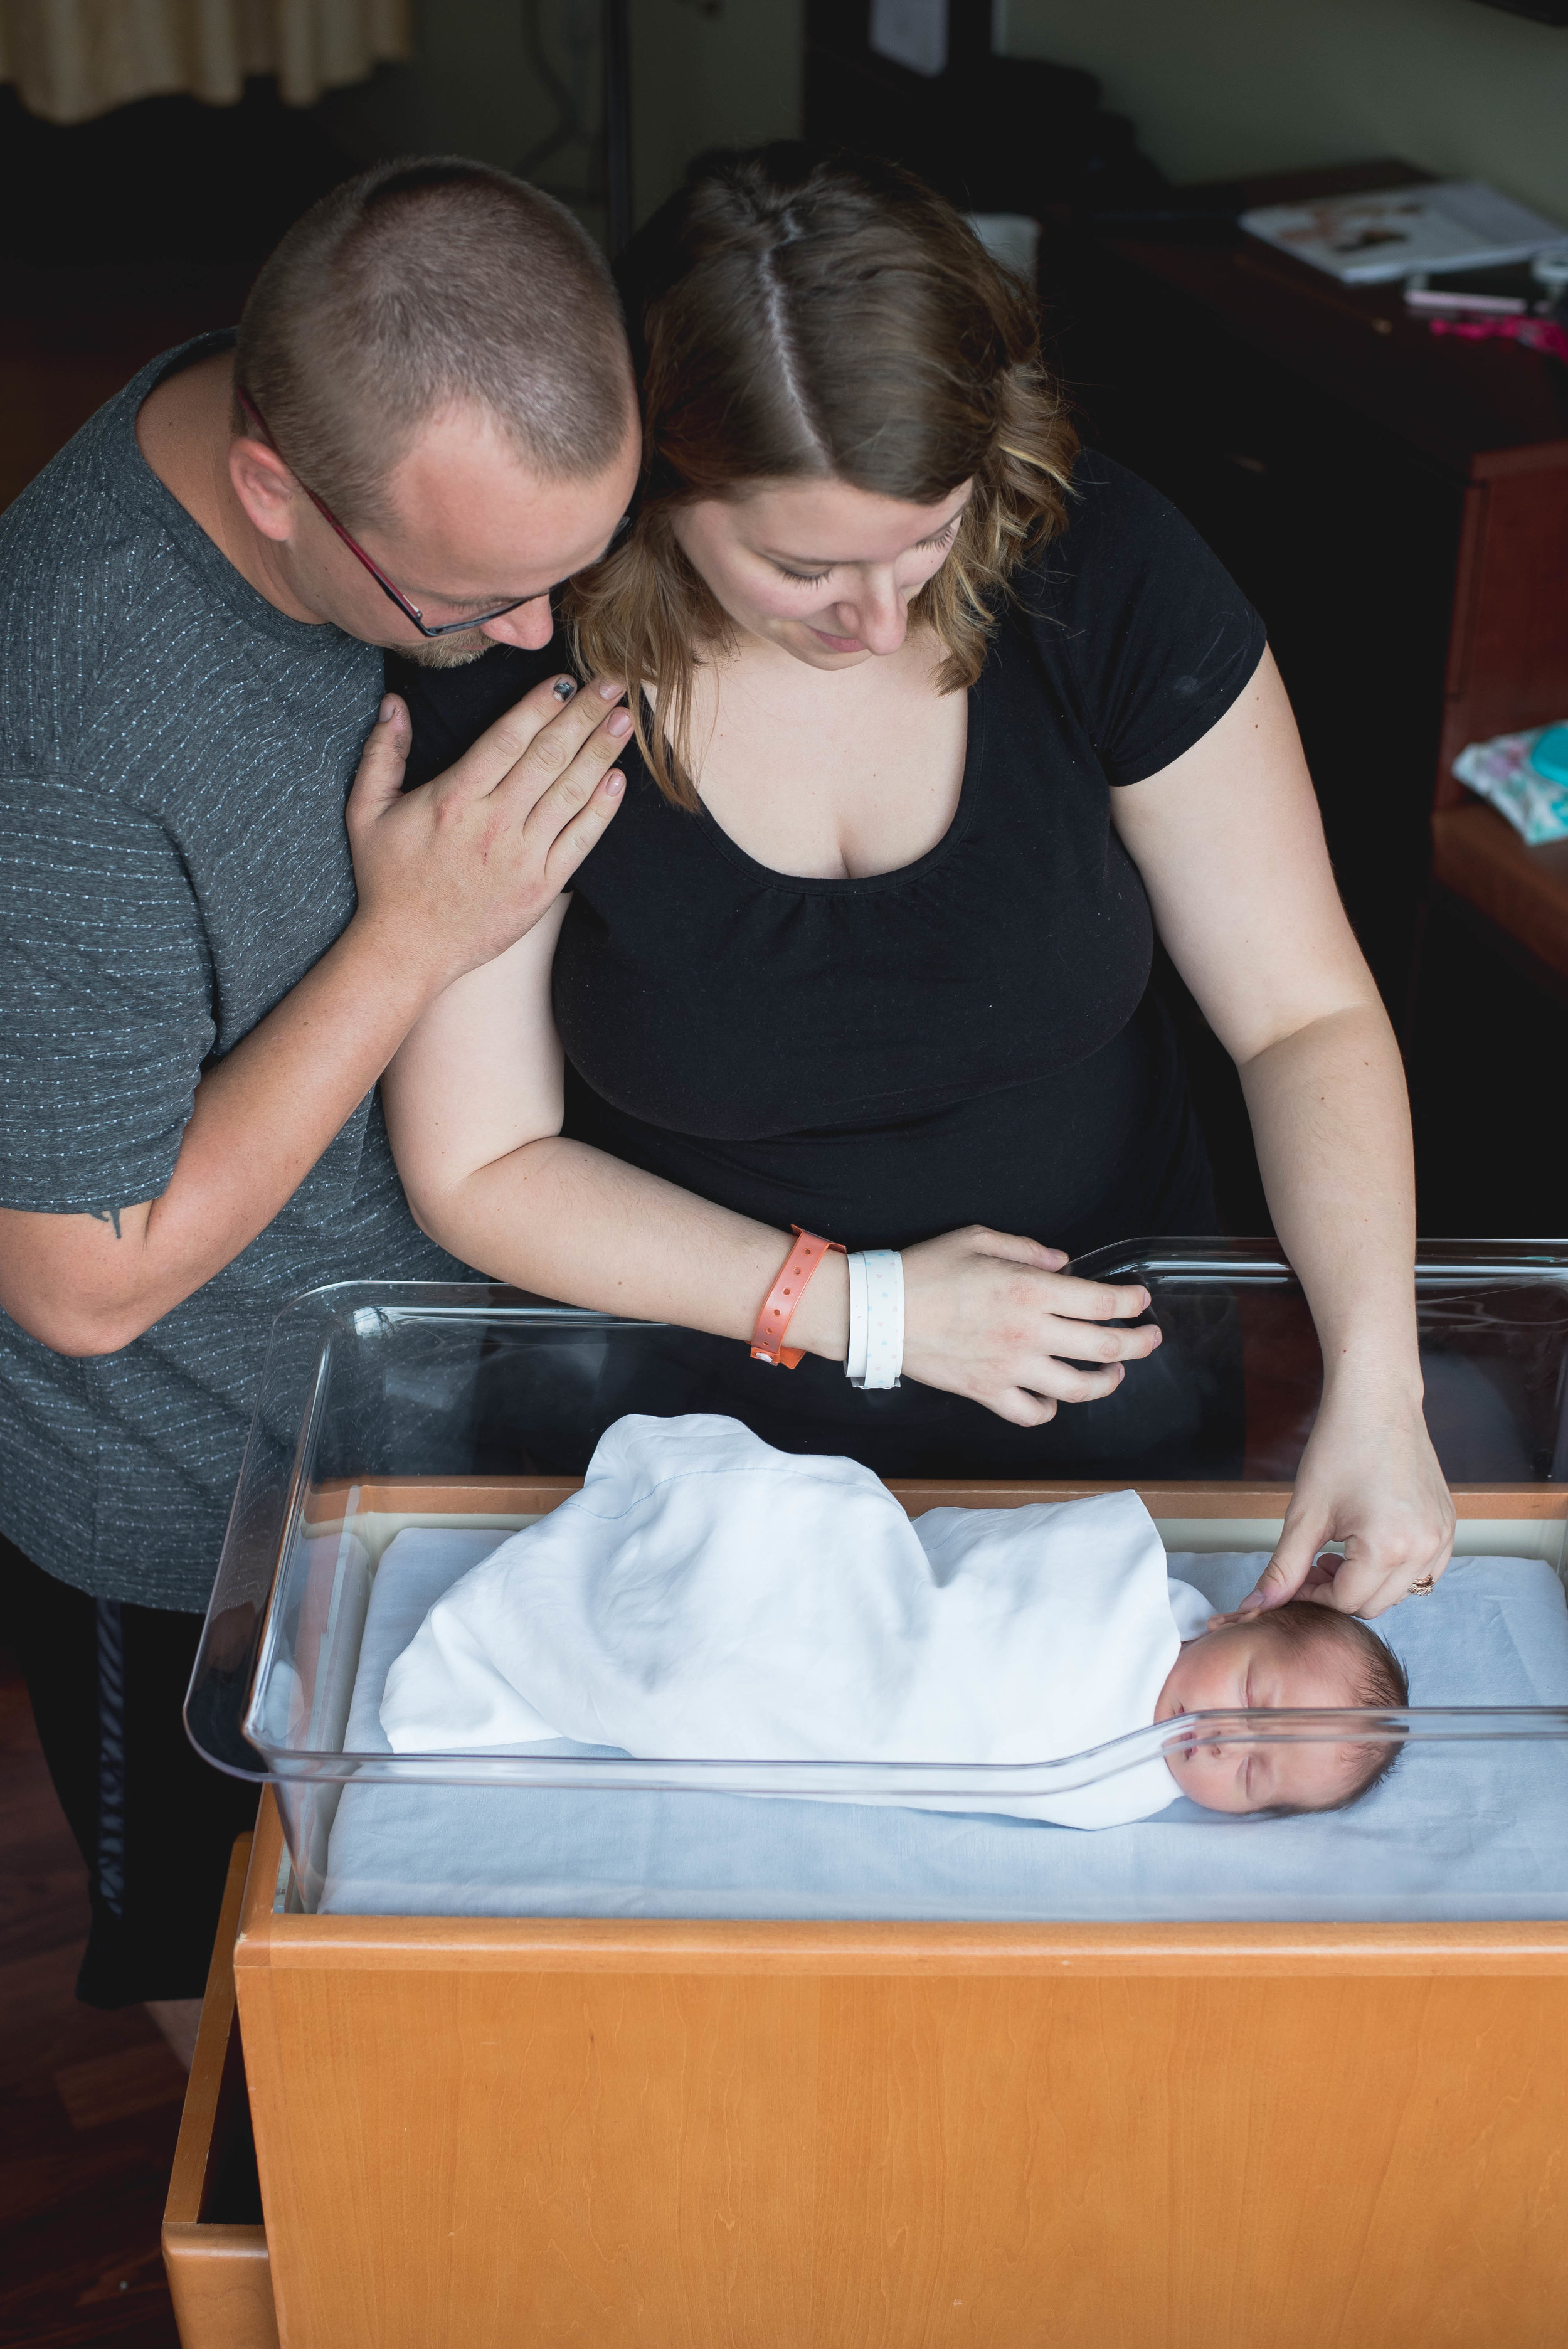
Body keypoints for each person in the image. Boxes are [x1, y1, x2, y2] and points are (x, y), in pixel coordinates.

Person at [379, 144, 1454, 1630]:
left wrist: (1378, 1386)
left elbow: (1301, 1014)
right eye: (804, 566)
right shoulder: (530, 670)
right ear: (656, 486)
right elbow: (476, 1164)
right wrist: (874, 1312)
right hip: (688, 1448)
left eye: (928, 537)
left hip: (1105, 1404)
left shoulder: (1107, 570)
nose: (877, 618)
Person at [0, 158, 638, 2049]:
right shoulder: (68, 724)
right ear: (274, 489)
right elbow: (77, 1280)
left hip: (460, 1425)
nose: (537, 633)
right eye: (476, 595)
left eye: (565, 572)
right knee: (260, 2044)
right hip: (204, 1527)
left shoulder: (377, 440)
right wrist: (409, 939)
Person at [378, 1413, 1407, 1823]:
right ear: (1234, 1619)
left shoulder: (1126, 1794)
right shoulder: (1120, 1588)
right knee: (748, 1599)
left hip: (842, 1709)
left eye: (1256, 1774)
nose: (1223, 1740)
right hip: (848, 1597)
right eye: (1253, 1698)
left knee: (706, 1692)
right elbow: (956, 1571)